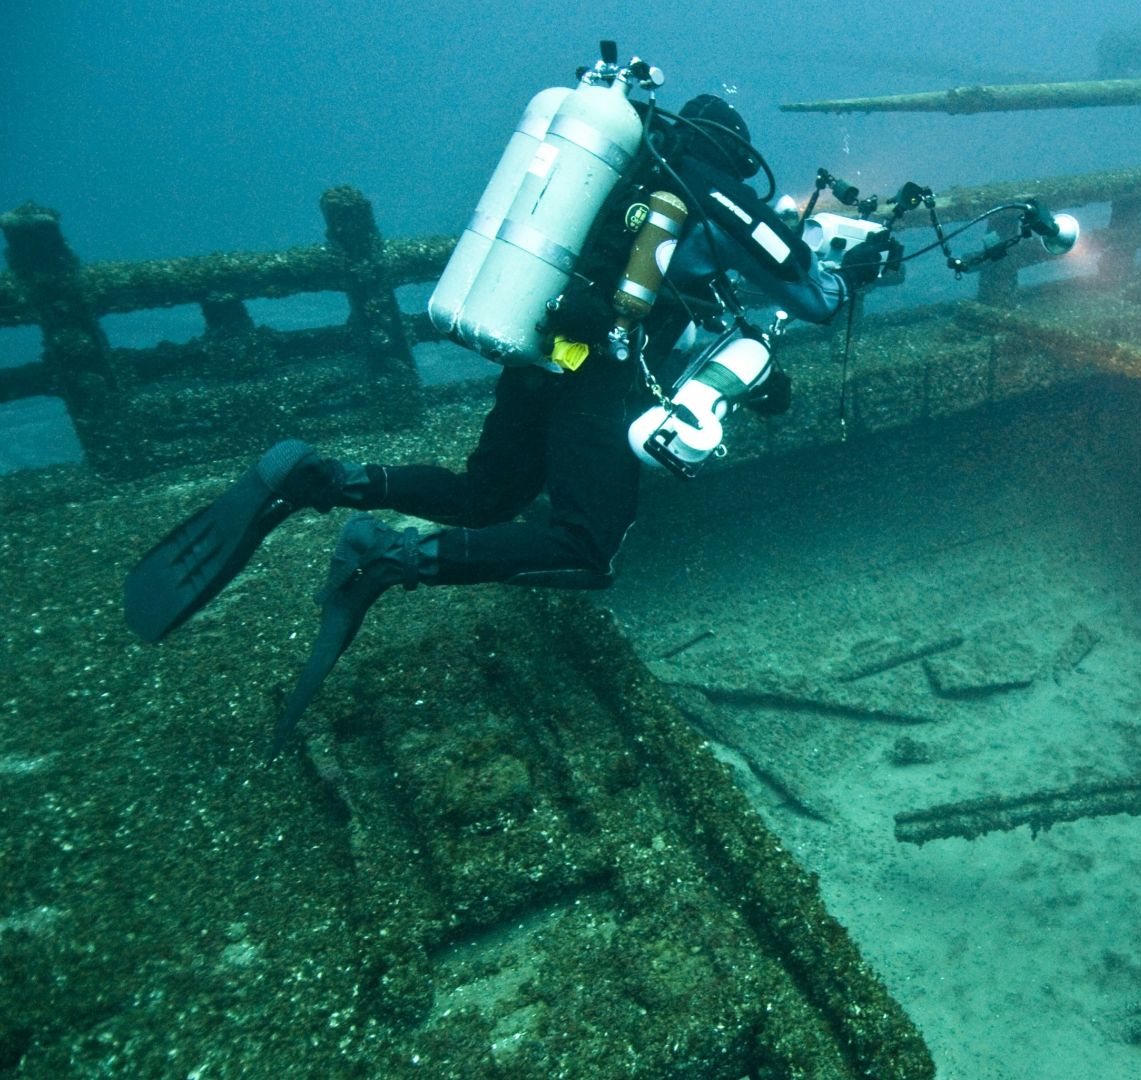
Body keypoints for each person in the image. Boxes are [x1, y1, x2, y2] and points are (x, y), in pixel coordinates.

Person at [123, 93, 896, 752]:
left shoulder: (628, 173)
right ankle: (389, 560)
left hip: (539, 349)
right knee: (585, 547)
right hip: (598, 371)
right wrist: (846, 267)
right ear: (730, 148)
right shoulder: (709, 184)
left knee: (484, 494)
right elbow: (813, 295)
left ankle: (321, 478)